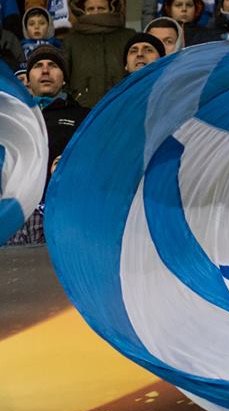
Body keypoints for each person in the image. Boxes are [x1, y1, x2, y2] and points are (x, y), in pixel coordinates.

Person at [7, 46, 89, 245]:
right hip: (18, 212)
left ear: (64, 77)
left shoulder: (85, 118)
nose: (45, 70)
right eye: (38, 66)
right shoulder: (12, 118)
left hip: (66, 212)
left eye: (52, 65)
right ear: (28, 78)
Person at [62, 0, 137, 108]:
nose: (96, 13)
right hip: (82, 108)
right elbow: (63, 76)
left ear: (111, 9)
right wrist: (75, 98)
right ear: (83, 11)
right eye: (90, 9)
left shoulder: (128, 36)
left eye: (101, 8)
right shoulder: (72, 40)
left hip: (122, 105)